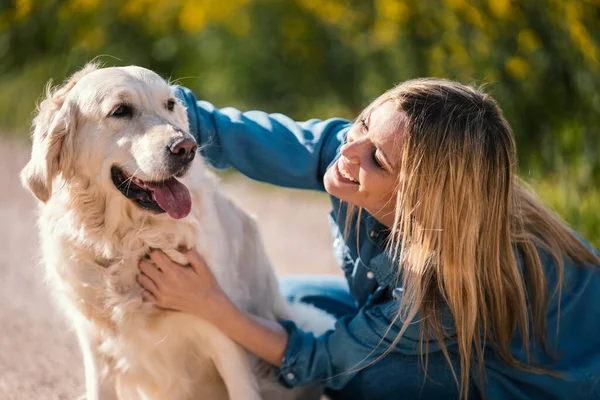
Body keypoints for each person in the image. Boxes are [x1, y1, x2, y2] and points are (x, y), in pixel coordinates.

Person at [136, 79, 600, 400]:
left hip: (543, 377)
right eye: (362, 123)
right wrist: (159, 101)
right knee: (290, 298)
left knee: (373, 380)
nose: (347, 149)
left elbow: (314, 358)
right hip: (428, 320)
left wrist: (211, 303)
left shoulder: (439, 290)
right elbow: (244, 135)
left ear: (420, 202)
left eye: (377, 158)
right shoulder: (352, 152)